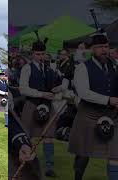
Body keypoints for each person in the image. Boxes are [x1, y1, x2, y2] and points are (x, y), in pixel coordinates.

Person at [69, 33, 118, 180]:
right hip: (89, 114)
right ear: (91, 50)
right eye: (99, 47)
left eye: (106, 47)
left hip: (112, 115)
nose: (104, 50)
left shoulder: (114, 66)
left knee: (115, 153)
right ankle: (78, 177)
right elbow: (83, 92)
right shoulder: (83, 67)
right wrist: (108, 99)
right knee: (83, 154)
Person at [19, 35, 60, 177]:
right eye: (37, 54)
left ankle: (49, 167)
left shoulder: (49, 68)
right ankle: (29, 163)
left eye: (42, 54)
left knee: (48, 137)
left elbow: (60, 83)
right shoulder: (27, 68)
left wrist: (58, 88)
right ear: (32, 54)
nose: (40, 57)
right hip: (32, 104)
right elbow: (23, 89)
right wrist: (42, 94)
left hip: (47, 106)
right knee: (28, 136)